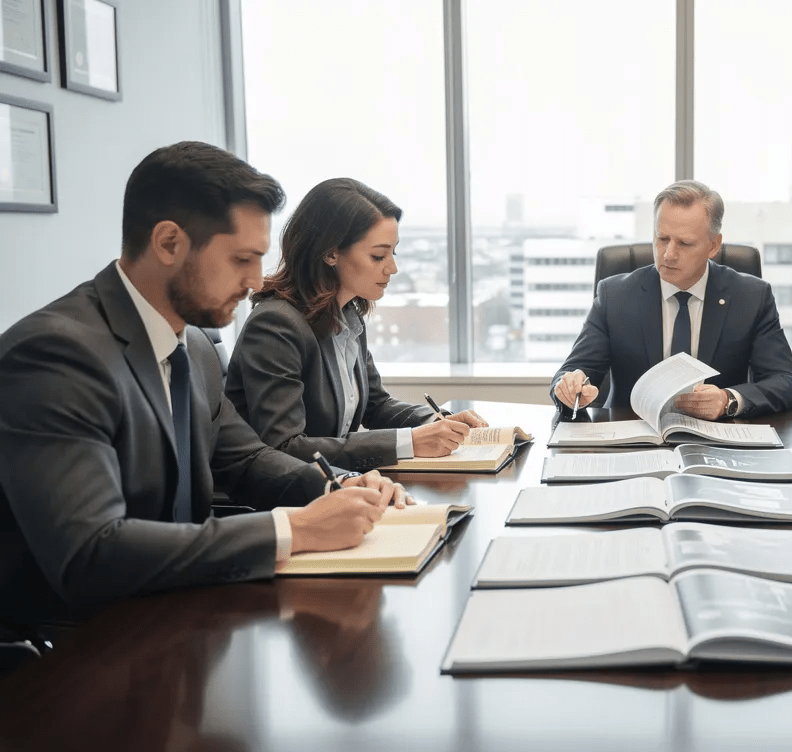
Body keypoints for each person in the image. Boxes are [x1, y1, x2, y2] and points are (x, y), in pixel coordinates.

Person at [0, 142, 406, 624]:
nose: (257, 281)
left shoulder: (192, 346)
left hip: (177, 615)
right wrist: (292, 530)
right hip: (73, 651)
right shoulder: (56, 356)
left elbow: (247, 459)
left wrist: (336, 487)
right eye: (241, 260)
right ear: (169, 242)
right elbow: (92, 552)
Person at [226, 178, 485, 473]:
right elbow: (285, 447)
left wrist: (436, 422)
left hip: (337, 488)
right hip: (285, 504)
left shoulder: (346, 315)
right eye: (378, 255)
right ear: (331, 253)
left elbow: (376, 406)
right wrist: (409, 442)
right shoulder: (275, 325)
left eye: (393, 253)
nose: (392, 267)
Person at [552, 180, 792, 419]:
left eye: (684, 243)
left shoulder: (750, 297)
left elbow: (785, 382)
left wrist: (729, 400)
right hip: (631, 440)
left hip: (717, 442)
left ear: (713, 245)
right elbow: (573, 371)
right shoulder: (614, 296)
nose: (668, 254)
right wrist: (571, 389)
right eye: (662, 239)